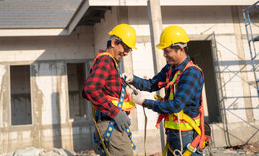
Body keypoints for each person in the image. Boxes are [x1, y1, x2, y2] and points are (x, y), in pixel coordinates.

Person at [124, 25, 204, 156]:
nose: (164, 55)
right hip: (174, 132)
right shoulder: (171, 68)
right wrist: (133, 79)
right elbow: (152, 84)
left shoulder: (192, 73)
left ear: (180, 49)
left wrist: (144, 102)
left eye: (167, 51)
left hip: (186, 135)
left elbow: (176, 105)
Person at [82, 23, 138, 156]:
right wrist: (115, 113)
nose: (125, 53)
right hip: (110, 123)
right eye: (125, 48)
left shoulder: (109, 62)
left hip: (111, 123)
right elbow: (90, 89)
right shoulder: (106, 61)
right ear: (114, 42)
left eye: (128, 50)